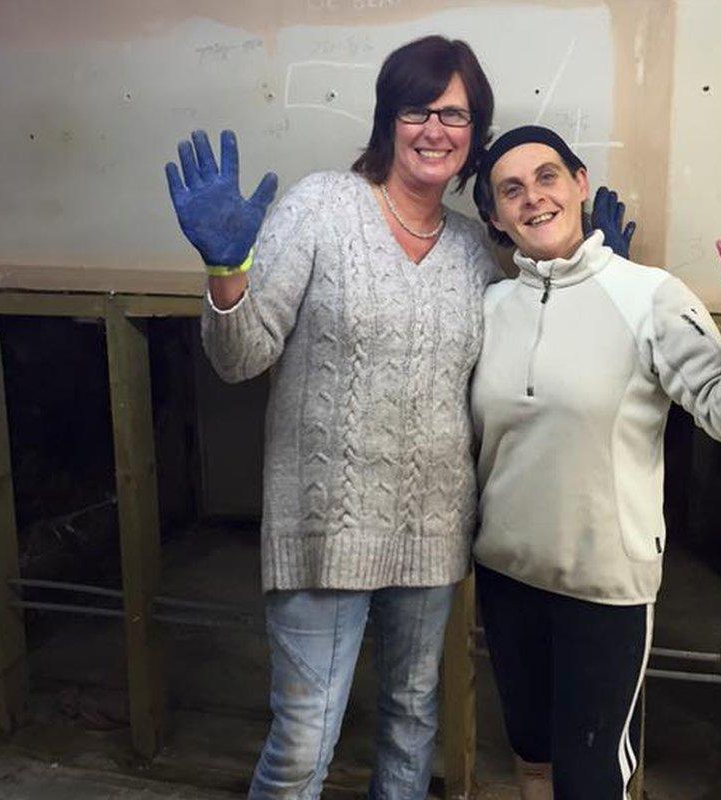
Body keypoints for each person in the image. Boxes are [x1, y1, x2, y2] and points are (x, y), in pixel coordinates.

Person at [165, 39, 632, 799]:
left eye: (456, 114)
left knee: (413, 728)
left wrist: (590, 288)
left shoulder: (477, 254)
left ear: (473, 134)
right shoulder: (321, 206)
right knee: (303, 744)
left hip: (432, 535)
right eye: (418, 109)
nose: (436, 129)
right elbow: (240, 357)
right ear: (389, 118)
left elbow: (529, 377)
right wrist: (227, 275)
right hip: (325, 530)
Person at [469, 125, 721, 800]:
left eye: (547, 176)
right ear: (496, 217)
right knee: (531, 758)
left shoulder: (648, 295)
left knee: (591, 780)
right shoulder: (491, 306)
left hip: (603, 588)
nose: (533, 197)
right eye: (512, 190)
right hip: (505, 575)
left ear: (580, 183)